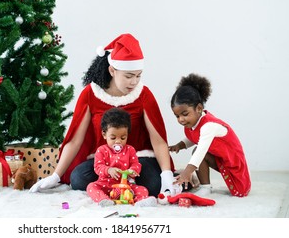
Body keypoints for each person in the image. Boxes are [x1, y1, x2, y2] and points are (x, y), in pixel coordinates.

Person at [29, 33, 175, 196]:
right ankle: (119, 187)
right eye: (128, 76)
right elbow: (75, 140)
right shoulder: (90, 94)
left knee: (153, 183)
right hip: (105, 162)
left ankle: (116, 187)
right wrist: (55, 176)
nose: (134, 82)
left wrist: (167, 174)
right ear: (112, 70)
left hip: (137, 161)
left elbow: (158, 140)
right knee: (77, 178)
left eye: (138, 75)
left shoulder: (143, 94)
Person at [169, 73, 251, 197]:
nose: (181, 119)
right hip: (220, 159)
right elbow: (194, 137)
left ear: (199, 108)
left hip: (232, 162)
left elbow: (201, 149)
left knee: (241, 191)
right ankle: (205, 187)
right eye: (177, 116)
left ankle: (207, 185)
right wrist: (180, 145)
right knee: (197, 151)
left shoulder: (208, 126)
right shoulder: (195, 123)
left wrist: (187, 172)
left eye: (185, 114)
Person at [87, 107, 158, 207]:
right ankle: (104, 200)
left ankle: (140, 201)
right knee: (91, 186)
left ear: (127, 135)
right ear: (104, 134)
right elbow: (98, 167)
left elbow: (136, 164)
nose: (118, 141)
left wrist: (133, 170)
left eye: (123, 138)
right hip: (105, 184)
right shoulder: (101, 150)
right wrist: (109, 170)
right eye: (113, 138)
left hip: (126, 186)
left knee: (143, 189)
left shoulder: (130, 150)